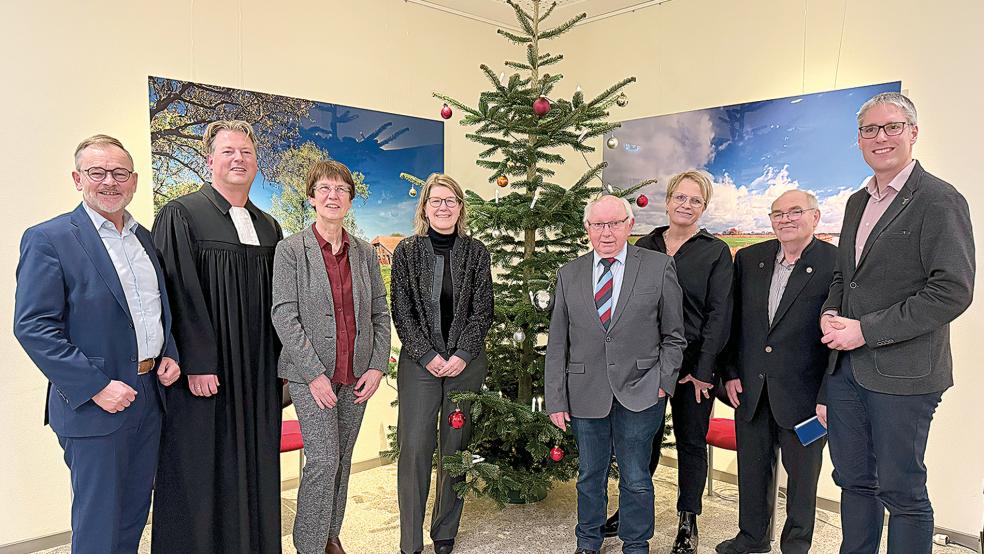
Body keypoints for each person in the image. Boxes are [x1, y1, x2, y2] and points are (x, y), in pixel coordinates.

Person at [820, 92, 974, 554]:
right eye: (869, 130)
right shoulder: (855, 202)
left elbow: (952, 291)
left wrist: (865, 329)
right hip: (846, 371)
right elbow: (844, 276)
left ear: (913, 133)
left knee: (902, 491)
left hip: (906, 373)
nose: (880, 137)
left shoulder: (940, 199)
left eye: (891, 127)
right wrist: (831, 310)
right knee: (853, 481)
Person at [14, 135, 181, 553]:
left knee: (132, 515)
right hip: (94, 403)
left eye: (119, 173)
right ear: (77, 178)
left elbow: (156, 313)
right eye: (97, 172)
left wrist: (169, 354)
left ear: (134, 180)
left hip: (148, 397)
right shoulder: (49, 238)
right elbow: (33, 326)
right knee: (98, 524)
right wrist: (97, 387)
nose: (110, 181)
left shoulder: (144, 240)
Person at [151, 120, 285, 553]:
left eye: (246, 152)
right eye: (228, 151)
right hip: (206, 373)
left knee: (255, 459)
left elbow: (279, 304)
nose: (238, 159)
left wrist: (281, 367)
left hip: (257, 371)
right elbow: (176, 292)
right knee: (202, 464)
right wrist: (198, 362)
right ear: (209, 161)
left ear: (256, 163)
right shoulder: (182, 214)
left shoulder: (269, 227)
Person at [546, 195, 687, 554]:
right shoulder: (569, 274)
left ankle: (636, 543)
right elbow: (558, 343)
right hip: (584, 392)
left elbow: (674, 336)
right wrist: (556, 399)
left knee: (636, 478)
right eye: (598, 224)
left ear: (629, 225)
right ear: (587, 229)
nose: (606, 232)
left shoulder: (658, 267)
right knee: (589, 476)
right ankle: (588, 541)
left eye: (614, 223)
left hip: (642, 391)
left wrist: (662, 383)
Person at [604, 171, 733, 553]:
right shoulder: (645, 244)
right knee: (641, 441)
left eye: (695, 200)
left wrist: (705, 370)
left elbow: (719, 315)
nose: (686, 205)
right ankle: (631, 509)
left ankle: (687, 521)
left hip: (695, 367)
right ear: (668, 200)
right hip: (647, 364)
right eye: (680, 197)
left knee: (691, 442)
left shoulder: (715, 252)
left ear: (703, 207)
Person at [271, 160, 391, 554]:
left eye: (341, 189)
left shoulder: (363, 252)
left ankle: (330, 536)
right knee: (323, 461)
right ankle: (308, 544)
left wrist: (376, 365)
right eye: (324, 188)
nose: (332, 196)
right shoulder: (291, 250)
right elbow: (283, 315)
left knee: (340, 459)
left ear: (350, 200)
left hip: (356, 376)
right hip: (312, 378)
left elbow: (378, 311)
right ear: (311, 198)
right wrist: (314, 375)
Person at [714, 190, 836, 554]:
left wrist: (829, 396)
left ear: (814, 217)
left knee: (802, 480)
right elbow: (732, 322)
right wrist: (730, 371)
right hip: (750, 388)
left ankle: (796, 544)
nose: (785, 219)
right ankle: (752, 538)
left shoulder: (836, 262)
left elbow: (838, 338)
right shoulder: (750, 259)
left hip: (806, 396)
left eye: (794, 212)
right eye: (777, 213)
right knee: (752, 470)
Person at [391, 174, 494, 554]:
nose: (443, 207)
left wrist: (461, 356)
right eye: (436, 200)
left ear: (460, 207)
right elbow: (401, 311)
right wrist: (429, 355)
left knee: (456, 445)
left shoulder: (476, 252)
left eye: (450, 200)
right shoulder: (406, 252)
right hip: (420, 363)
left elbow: (483, 311)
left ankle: (445, 531)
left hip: (466, 364)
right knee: (415, 448)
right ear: (424, 208)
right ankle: (410, 539)